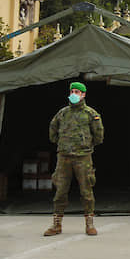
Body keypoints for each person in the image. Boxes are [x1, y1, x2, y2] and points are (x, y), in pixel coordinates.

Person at [44, 82, 104, 237]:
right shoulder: (63, 113)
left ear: (83, 95)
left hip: (83, 158)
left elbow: (98, 135)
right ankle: (56, 224)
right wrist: (59, 142)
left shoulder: (90, 114)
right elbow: (53, 128)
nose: (74, 94)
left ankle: (89, 224)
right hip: (64, 157)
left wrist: (86, 145)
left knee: (86, 191)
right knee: (60, 191)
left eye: (77, 91)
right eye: (72, 91)